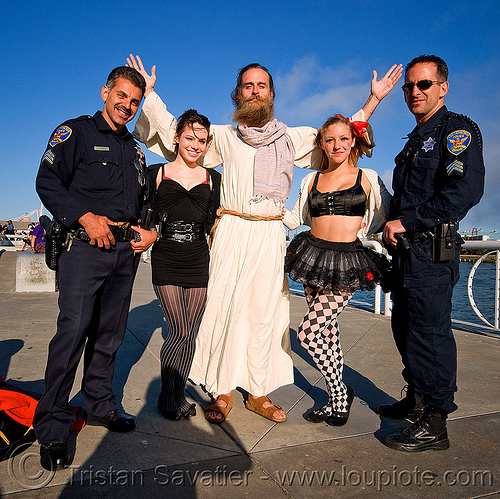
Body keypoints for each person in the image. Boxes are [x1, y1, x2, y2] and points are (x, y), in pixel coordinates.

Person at [129, 54, 402, 424]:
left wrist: (373, 101)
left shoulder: (292, 138)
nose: (254, 91)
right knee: (223, 309)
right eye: (248, 86)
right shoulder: (223, 137)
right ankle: (222, 390)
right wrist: (151, 96)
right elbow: (180, 135)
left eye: (261, 86)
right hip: (231, 231)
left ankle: (257, 392)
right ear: (237, 94)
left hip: (270, 234)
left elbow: (340, 136)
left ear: (271, 94)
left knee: (263, 314)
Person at [34, 66, 157, 471]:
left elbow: (142, 200)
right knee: (71, 336)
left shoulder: (135, 149)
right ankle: (52, 426)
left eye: (135, 101)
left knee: (109, 335)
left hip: (124, 255)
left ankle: (100, 404)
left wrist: (147, 229)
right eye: (121, 96)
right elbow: (47, 182)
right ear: (105, 92)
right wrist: (83, 216)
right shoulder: (76, 133)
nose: (127, 105)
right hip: (84, 251)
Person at [380, 55, 485, 451]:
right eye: (409, 87)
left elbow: (464, 193)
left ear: (443, 87)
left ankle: (435, 422)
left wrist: (408, 223)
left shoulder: (457, 131)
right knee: (404, 328)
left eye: (423, 84)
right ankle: (418, 399)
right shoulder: (413, 141)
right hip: (405, 254)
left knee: (429, 333)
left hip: (431, 252)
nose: (414, 93)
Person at [283, 115, 390, 425]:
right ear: (322, 145)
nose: (337, 145)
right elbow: (293, 218)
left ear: (353, 141)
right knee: (328, 334)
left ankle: (341, 394)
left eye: (344, 138)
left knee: (307, 333)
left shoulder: (366, 176)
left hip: (346, 263)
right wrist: (253, 213)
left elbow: (384, 214)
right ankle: (335, 399)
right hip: (313, 258)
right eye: (329, 140)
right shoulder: (310, 180)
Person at [149, 109, 220, 421]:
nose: (195, 145)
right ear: (176, 138)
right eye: (190, 137)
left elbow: (216, 222)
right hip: (165, 256)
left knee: (190, 333)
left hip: (197, 259)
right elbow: (144, 213)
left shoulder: (213, 179)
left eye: (202, 140)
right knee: (178, 329)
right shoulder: (157, 173)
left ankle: (176, 396)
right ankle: (169, 398)